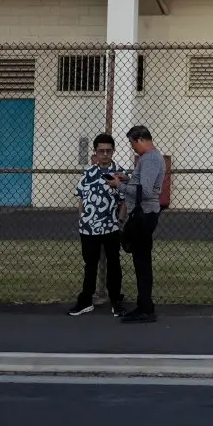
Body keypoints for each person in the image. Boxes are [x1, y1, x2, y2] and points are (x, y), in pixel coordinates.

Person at [105, 125, 165, 324]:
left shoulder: (149, 159)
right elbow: (142, 185)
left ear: (139, 140)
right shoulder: (152, 159)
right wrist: (129, 180)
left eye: (132, 143)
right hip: (145, 213)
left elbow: (145, 192)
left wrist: (119, 185)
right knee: (141, 261)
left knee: (142, 262)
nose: (132, 148)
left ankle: (146, 308)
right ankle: (144, 305)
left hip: (144, 214)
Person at [68, 133, 126, 317]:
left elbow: (125, 199)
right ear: (95, 152)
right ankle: (86, 300)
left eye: (108, 151)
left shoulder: (119, 173)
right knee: (90, 264)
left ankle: (116, 301)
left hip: (110, 226)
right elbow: (81, 199)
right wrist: (82, 218)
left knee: (114, 263)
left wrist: (121, 219)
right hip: (88, 227)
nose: (105, 154)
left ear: (113, 151)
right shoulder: (88, 173)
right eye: (101, 151)